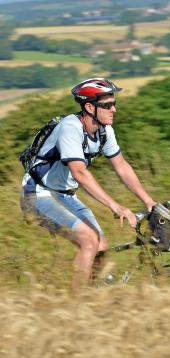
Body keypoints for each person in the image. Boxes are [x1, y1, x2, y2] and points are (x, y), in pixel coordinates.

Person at [20, 77, 156, 291]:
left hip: (66, 195)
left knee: (101, 247)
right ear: (89, 107)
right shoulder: (70, 128)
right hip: (37, 195)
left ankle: (94, 296)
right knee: (88, 241)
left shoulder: (104, 131)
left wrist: (149, 202)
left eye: (114, 103)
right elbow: (79, 173)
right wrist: (115, 205)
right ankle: (76, 308)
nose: (114, 109)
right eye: (108, 105)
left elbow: (121, 167)